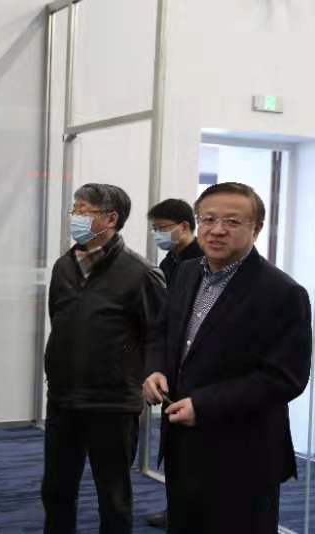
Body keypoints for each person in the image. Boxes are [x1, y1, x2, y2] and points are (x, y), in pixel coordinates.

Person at [143, 182, 312, 534]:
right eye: (208, 219)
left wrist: (203, 405)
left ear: (256, 228)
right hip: (183, 444)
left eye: (232, 222)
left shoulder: (282, 292)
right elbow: (162, 332)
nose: (217, 230)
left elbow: (285, 377)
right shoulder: (187, 272)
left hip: (243, 453)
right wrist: (155, 369)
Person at [42, 183, 166, 534]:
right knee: (56, 490)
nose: (75, 217)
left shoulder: (140, 273)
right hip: (64, 398)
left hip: (112, 403)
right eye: (75, 210)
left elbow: (158, 336)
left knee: (113, 497)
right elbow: (59, 321)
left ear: (111, 219)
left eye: (84, 211)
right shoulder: (63, 266)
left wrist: (146, 377)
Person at [144, 198, 204, 530]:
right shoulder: (172, 260)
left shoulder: (201, 261)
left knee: (194, 451)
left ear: (184, 226)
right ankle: (176, 508)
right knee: (175, 446)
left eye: (163, 228)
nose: (158, 235)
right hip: (169, 360)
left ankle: (188, 511)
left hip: (193, 363)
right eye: (155, 229)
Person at [148, 198, 204, 287]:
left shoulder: (203, 260)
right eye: (155, 229)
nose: (157, 233)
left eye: (161, 227)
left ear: (184, 227)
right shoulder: (168, 261)